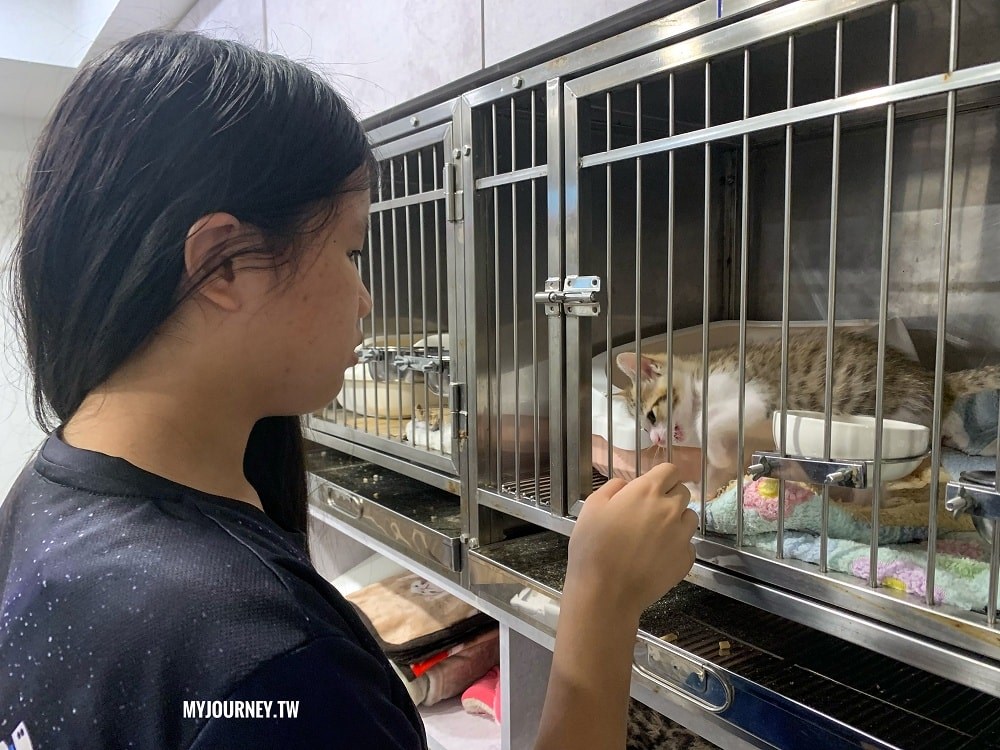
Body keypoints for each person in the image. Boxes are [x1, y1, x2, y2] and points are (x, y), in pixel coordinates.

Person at [0, 30, 698, 750]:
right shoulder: (272, 671)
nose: (365, 298)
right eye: (351, 250)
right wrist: (601, 604)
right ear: (224, 263)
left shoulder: (43, 497)